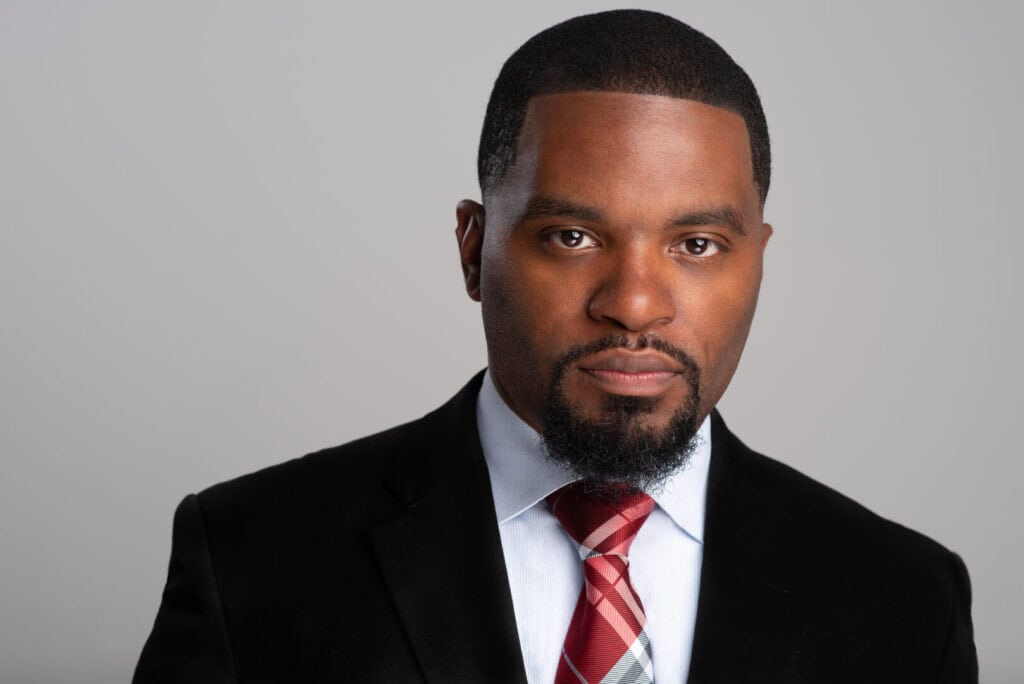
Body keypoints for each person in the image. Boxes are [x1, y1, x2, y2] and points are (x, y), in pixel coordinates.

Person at [134, 9, 977, 683]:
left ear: (758, 260)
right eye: (573, 237)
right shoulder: (249, 559)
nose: (634, 304)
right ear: (474, 250)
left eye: (696, 245)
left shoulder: (906, 600)